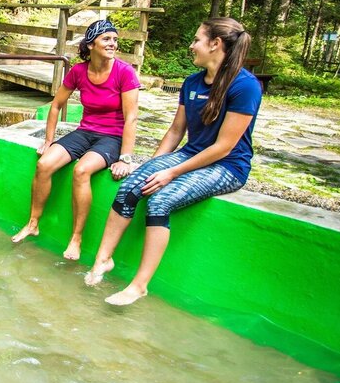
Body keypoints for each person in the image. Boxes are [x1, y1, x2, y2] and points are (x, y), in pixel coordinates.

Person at [84, 17, 261, 306]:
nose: (191, 46)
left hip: (227, 166)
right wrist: (152, 167)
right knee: (131, 187)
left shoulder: (245, 86)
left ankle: (139, 285)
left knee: (160, 201)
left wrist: (172, 172)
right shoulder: (192, 82)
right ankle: (102, 260)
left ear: (215, 44)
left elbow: (224, 147)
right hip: (190, 154)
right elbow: (176, 132)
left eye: (197, 40)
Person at [11, 20, 140, 261]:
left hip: (112, 136)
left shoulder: (124, 72)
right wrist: (49, 140)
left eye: (115, 39)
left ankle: (76, 238)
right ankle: (33, 223)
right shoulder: (79, 71)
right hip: (85, 131)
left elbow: (131, 117)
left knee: (81, 171)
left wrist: (125, 158)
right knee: (44, 164)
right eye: (106, 39)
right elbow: (56, 105)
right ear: (91, 44)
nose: (113, 44)